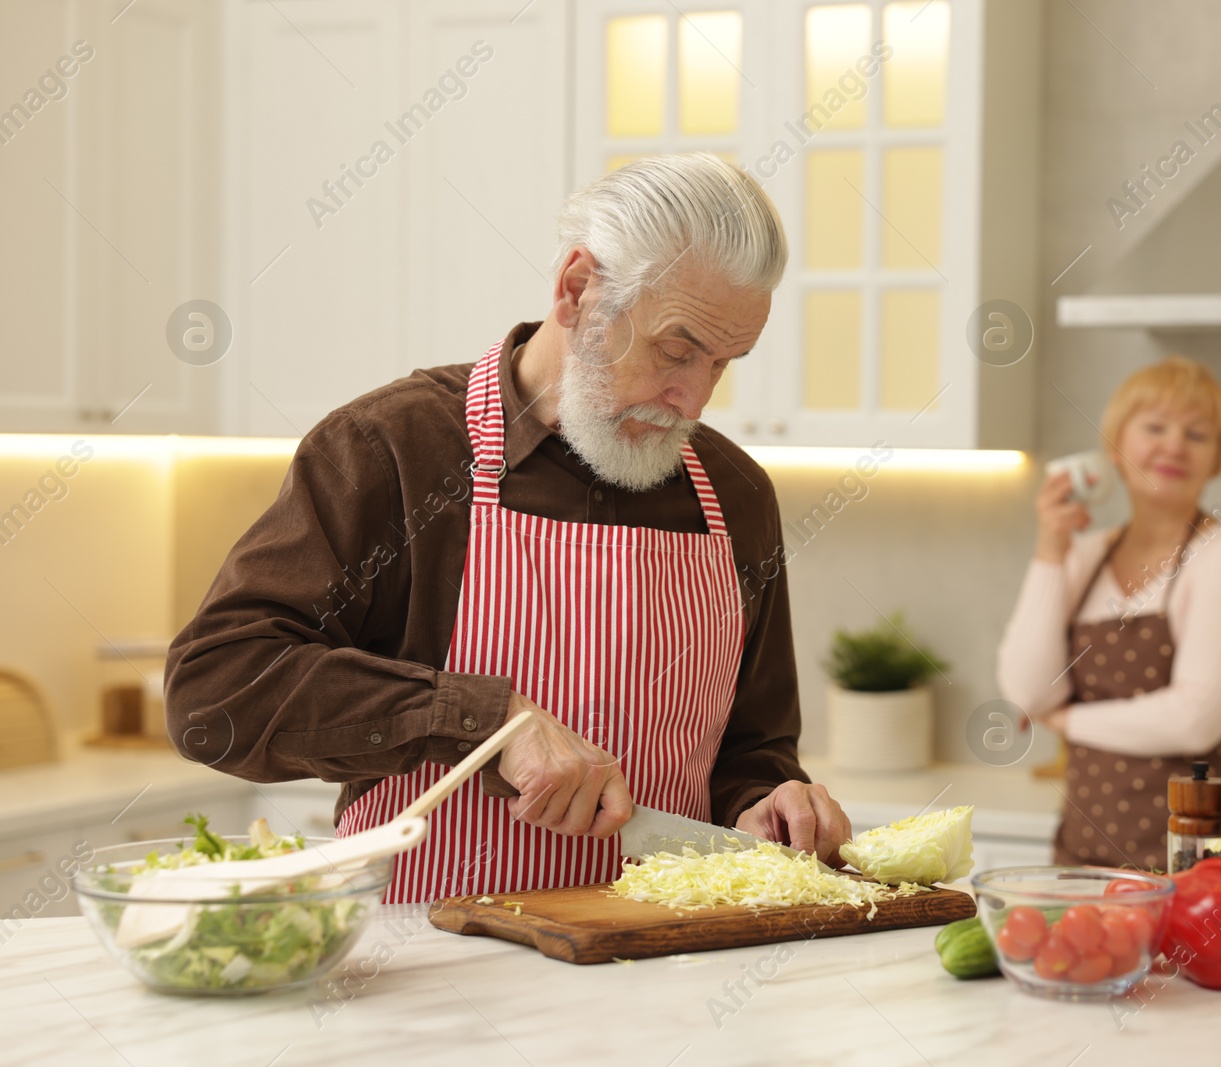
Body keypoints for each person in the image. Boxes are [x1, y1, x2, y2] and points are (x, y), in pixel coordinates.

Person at [166, 153, 850, 902]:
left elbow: (754, 746)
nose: (691, 399)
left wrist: (772, 800)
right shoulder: (394, 449)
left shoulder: (737, 493)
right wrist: (485, 721)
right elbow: (215, 690)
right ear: (577, 288)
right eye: (675, 349)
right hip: (430, 965)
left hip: (663, 967)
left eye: (723, 363)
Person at [997, 357, 1221, 871]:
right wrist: (1050, 548)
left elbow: (1196, 722)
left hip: (1207, 856)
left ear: (1216, 459)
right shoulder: (1081, 555)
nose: (1173, 445)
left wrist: (1066, 719)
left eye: (1197, 434)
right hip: (1086, 849)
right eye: (1154, 427)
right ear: (1115, 448)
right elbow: (1028, 692)